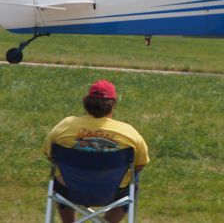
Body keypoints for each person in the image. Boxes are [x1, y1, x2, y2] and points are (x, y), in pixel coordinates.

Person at [43, 79, 150, 223]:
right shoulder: (128, 133)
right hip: (113, 192)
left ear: (87, 103)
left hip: (70, 190)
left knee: (59, 174)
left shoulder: (65, 126)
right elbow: (140, 164)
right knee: (133, 179)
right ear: (113, 105)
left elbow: (49, 155)